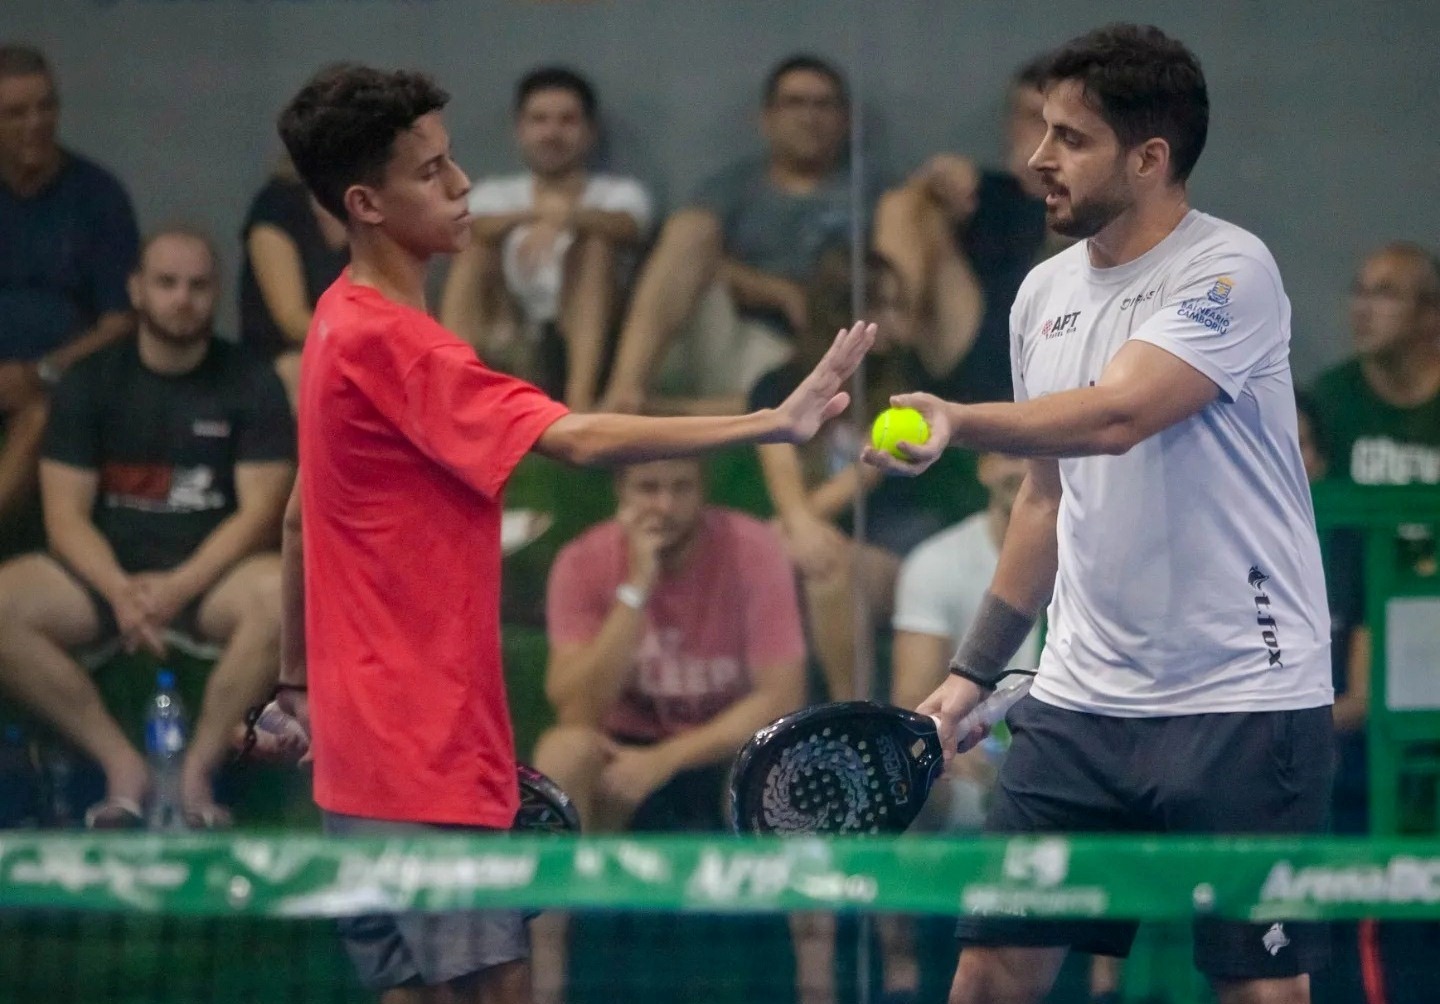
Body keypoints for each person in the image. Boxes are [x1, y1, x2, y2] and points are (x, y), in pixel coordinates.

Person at [270, 64, 872, 1004]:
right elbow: (580, 437)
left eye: (453, 160)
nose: (463, 183)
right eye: (431, 172)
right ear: (366, 203)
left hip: (356, 757)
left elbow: (299, 513)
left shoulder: (334, 321)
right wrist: (770, 424)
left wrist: (297, 683)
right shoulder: (399, 344)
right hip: (426, 757)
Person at [863, 25, 1334, 1004]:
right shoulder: (1041, 295)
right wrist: (968, 674)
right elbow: (1045, 494)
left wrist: (956, 419)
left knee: (1258, 989)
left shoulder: (1231, 272)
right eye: (1042, 131)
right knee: (990, 973)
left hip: (1243, 701)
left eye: (1070, 138)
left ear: (1149, 157)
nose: (1039, 158)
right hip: (1079, 710)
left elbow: (1120, 414)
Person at [0, 227, 295, 828]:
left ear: (215, 294)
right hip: (105, 580)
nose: (181, 298)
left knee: (285, 594)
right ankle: (122, 768)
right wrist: (119, 591)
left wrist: (177, 588)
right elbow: (64, 519)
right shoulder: (88, 383)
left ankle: (197, 774)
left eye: (197, 285)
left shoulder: (252, 381)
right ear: (136, 290)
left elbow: (261, 513)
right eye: (166, 283)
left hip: (212, 579)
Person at [529, 455, 806, 1003]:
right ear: (620, 492)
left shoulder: (753, 549)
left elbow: (781, 695)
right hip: (618, 758)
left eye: (681, 488)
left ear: (703, 490)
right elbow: (575, 708)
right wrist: (636, 586)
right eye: (647, 488)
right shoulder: (583, 561)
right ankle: (545, 987)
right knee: (560, 754)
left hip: (727, 752)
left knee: (788, 762)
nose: (664, 505)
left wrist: (667, 759)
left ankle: (816, 989)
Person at [598, 54, 860, 414]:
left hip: (841, 343)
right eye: (794, 103)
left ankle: (673, 413)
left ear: (844, 120)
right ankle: (624, 397)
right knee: (690, 230)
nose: (809, 117)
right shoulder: (732, 189)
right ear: (767, 119)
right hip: (743, 335)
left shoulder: (872, 187)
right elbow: (698, 261)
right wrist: (777, 292)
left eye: (823, 105)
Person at [750, 248, 941, 700]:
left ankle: (849, 712)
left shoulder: (906, 382)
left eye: (899, 306)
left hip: (894, 551)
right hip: (804, 543)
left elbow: (862, 479)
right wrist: (793, 525)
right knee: (808, 555)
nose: (897, 323)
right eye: (883, 307)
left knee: (826, 565)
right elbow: (782, 478)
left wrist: (790, 528)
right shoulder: (779, 385)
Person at [439, 67, 651, 409]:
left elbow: (628, 226)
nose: (552, 133)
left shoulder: (617, 192)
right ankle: (453, 396)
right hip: (512, 334)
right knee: (474, 251)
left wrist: (569, 218)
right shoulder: (495, 193)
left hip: (596, 341)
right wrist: (539, 215)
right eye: (540, 120)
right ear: (520, 129)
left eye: (567, 121)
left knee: (594, 246)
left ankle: (579, 405)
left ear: (590, 131)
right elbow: (465, 230)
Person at [0, 44, 139, 533]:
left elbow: (120, 322)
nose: (36, 122)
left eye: (46, 106)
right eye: (16, 113)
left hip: (65, 379)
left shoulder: (98, 196)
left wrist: (41, 371)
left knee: (37, 413)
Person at [873, 57, 1052, 407]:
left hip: (1040, 340)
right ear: (1009, 123)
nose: (1041, 135)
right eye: (1031, 118)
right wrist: (930, 184)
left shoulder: (1092, 201)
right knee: (905, 204)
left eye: (1054, 123)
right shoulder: (983, 190)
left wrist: (1052, 182)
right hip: (963, 335)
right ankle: (886, 360)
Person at [1307, 243, 1440, 489]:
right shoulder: (1328, 400)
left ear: (1430, 314)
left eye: (1385, 294)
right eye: (1359, 293)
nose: (1363, 310)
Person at [237, 157, 349, 407]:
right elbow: (292, 320)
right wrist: (367, 348)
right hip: (282, 361)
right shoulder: (279, 206)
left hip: (350, 361)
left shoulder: (375, 209)